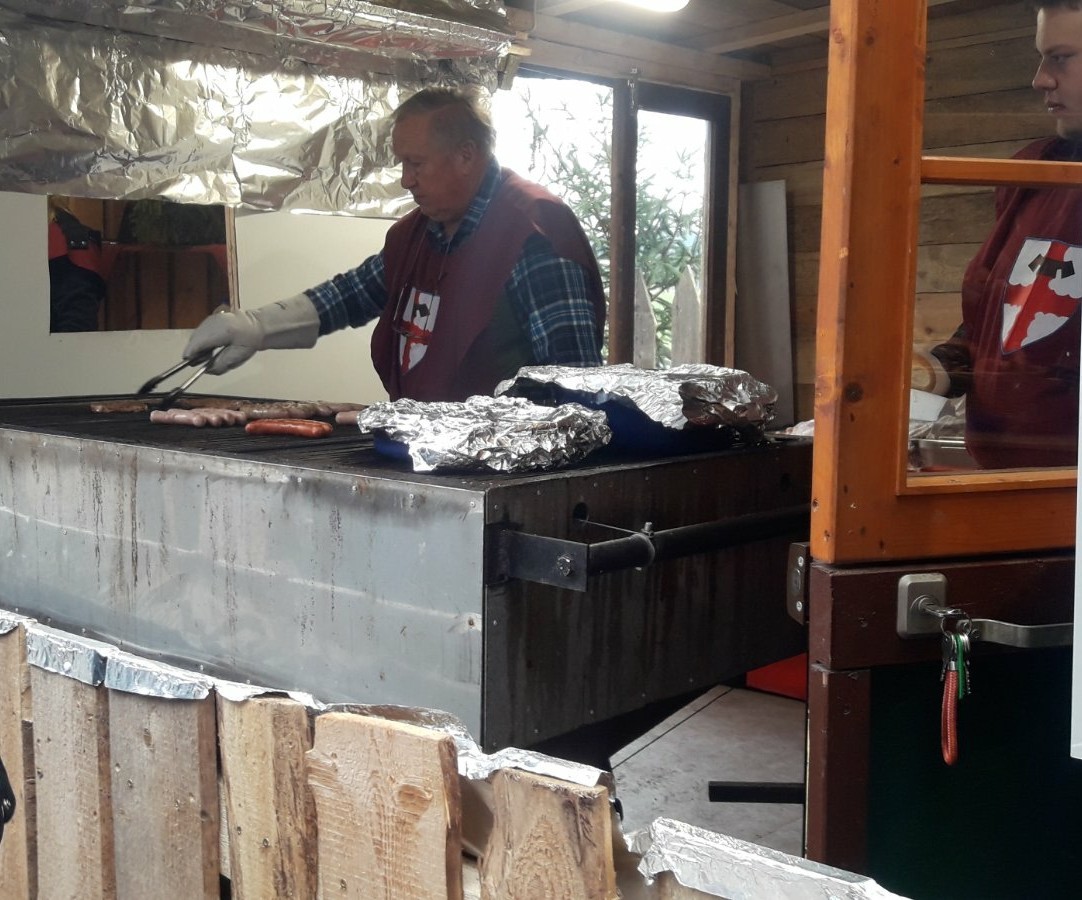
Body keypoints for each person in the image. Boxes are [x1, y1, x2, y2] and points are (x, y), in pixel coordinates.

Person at [183, 86, 606, 402]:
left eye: (415, 163)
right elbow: (350, 294)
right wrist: (256, 327)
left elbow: (574, 388)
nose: (406, 180)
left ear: (466, 155)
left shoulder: (533, 232)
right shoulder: (420, 233)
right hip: (423, 462)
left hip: (503, 477)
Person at [922, 0, 1082, 469]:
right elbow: (997, 319)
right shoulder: (1031, 171)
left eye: (1061, 57)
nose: (1040, 79)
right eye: (1041, 56)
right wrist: (938, 368)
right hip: (1004, 480)